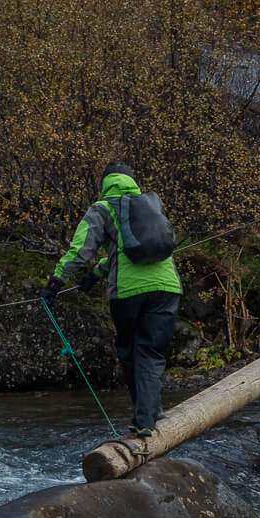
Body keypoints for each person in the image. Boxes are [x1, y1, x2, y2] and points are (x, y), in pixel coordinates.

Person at [41, 162, 181, 437]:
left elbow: (81, 249)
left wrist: (56, 282)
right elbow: (127, 250)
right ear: (132, 180)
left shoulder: (103, 208)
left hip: (128, 291)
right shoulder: (150, 205)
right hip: (168, 287)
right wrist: (95, 273)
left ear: (105, 183)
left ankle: (145, 421)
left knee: (130, 351)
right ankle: (150, 413)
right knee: (151, 352)